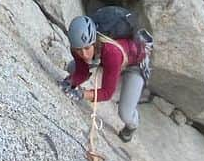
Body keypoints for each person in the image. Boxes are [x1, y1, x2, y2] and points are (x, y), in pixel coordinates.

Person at [60, 13, 149, 143]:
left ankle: (132, 125)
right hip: (107, 59)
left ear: (94, 42)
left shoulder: (111, 52)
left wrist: (82, 94)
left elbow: (107, 93)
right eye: (79, 50)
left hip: (135, 66)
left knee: (125, 113)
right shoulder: (78, 46)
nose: (83, 54)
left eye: (86, 48)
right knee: (72, 68)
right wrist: (70, 82)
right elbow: (82, 72)